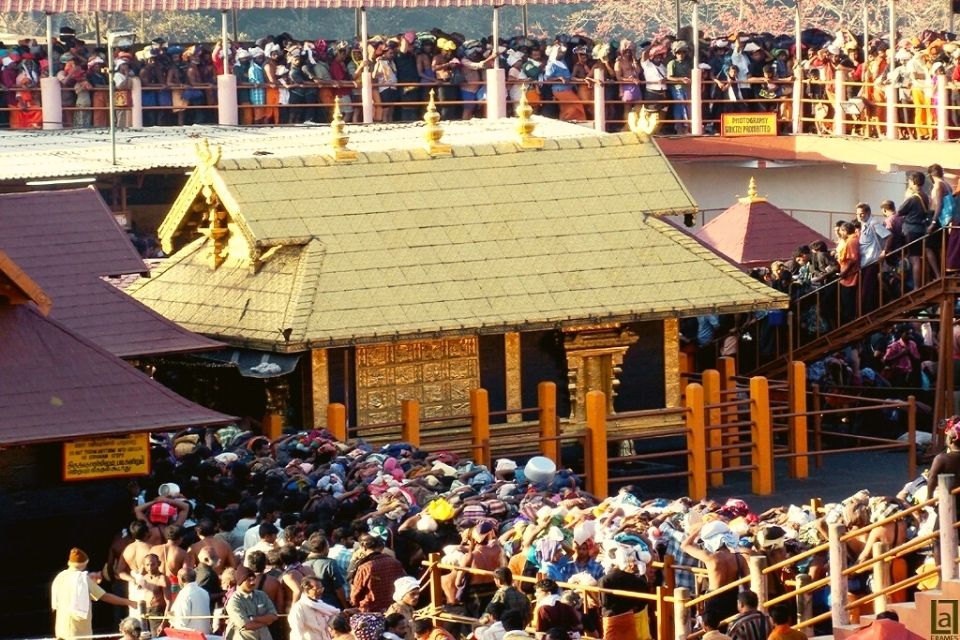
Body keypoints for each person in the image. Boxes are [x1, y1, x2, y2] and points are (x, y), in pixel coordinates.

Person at [52, 547, 137, 640]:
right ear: (84, 564)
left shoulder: (60, 576)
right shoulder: (83, 579)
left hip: (61, 631)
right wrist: (129, 602)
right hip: (77, 633)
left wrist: (91, 581)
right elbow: (105, 597)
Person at [681, 520, 747, 619]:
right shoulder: (739, 558)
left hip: (714, 597)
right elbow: (747, 582)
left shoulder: (710, 558)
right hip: (733, 597)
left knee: (712, 628)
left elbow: (685, 545)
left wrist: (699, 529)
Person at [597, 547, 649, 640]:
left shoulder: (604, 580)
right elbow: (644, 591)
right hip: (628, 616)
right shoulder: (632, 578)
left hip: (611, 618)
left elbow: (605, 603)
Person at [351, 533, 408, 612]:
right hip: (394, 610)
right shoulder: (395, 562)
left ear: (363, 547)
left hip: (370, 612)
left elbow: (355, 595)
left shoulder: (365, 567)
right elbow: (405, 584)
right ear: (382, 547)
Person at [225, 566, 279, 640]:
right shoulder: (234, 601)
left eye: (254, 579)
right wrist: (265, 622)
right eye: (248, 580)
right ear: (240, 582)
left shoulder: (262, 595)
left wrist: (253, 618)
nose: (252, 582)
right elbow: (246, 625)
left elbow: (274, 616)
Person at [288, 576, 340, 640]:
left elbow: (334, 615)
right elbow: (297, 632)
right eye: (317, 589)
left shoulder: (322, 605)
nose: (320, 591)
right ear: (306, 590)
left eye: (321, 589)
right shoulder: (298, 608)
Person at [170, 566, 212, 634]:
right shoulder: (204, 592)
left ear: (182, 579)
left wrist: (172, 619)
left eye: (178, 578)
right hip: (205, 635)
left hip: (191, 636)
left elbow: (181, 622)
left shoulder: (185, 594)